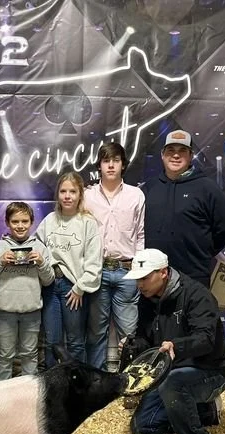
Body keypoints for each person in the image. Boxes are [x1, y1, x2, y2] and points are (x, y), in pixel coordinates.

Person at [120, 248, 225, 434]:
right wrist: (134, 344)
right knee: (143, 427)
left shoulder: (197, 295)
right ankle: (205, 411)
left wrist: (177, 346)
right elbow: (145, 336)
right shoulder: (147, 299)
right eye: (137, 279)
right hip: (171, 372)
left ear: (163, 272)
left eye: (144, 278)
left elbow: (206, 340)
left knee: (173, 383)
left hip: (209, 370)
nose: (139, 285)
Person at [142, 130, 225, 288]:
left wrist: (200, 252)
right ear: (162, 155)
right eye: (171, 150)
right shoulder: (149, 188)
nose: (176, 156)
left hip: (193, 277)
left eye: (182, 151)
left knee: (194, 313)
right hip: (153, 278)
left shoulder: (207, 188)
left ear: (191, 155)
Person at [84, 142, 145, 370]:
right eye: (106, 160)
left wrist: (138, 269)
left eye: (116, 160)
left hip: (126, 270)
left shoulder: (136, 195)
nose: (111, 165)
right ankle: (97, 385)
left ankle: (131, 383)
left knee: (129, 334)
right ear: (99, 165)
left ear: (123, 165)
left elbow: (140, 234)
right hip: (96, 270)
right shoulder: (87, 195)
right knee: (96, 332)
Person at [36, 171, 102, 368]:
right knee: (52, 341)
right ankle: (52, 387)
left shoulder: (87, 223)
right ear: (57, 194)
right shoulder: (49, 220)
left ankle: (77, 387)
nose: (67, 196)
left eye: (72, 191)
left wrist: (80, 287)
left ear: (80, 194)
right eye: (63, 191)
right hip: (50, 285)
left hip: (73, 288)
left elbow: (94, 260)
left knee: (75, 341)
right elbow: (37, 247)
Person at [0, 202, 54, 380]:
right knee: (4, 355)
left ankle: (29, 394)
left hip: (31, 311)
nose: (20, 225)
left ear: (32, 222)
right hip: (5, 311)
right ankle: (1, 393)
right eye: (15, 221)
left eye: (25, 221)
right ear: (8, 223)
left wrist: (41, 263)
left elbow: (48, 280)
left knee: (29, 355)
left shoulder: (40, 248)